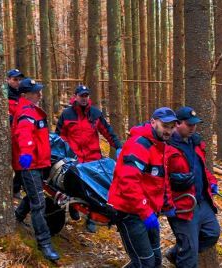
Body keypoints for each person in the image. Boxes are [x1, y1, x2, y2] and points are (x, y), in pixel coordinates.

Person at [107, 107, 177, 267]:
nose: (169, 131)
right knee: (145, 263)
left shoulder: (162, 146)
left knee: (156, 260)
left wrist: (167, 205)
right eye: (165, 126)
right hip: (129, 212)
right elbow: (128, 182)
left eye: (172, 127)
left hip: (148, 212)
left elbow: (162, 179)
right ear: (153, 122)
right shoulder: (139, 145)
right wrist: (145, 212)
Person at [55, 85, 122, 232]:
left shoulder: (95, 114)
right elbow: (59, 135)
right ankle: (73, 208)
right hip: (75, 159)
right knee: (72, 187)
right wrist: (66, 150)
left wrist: (118, 147)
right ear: (75, 96)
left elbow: (108, 132)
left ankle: (91, 218)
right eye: (81, 95)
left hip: (93, 159)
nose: (84, 98)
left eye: (86, 95)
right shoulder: (67, 114)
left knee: (93, 191)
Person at [163, 106, 221, 268]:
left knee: (212, 234)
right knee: (189, 257)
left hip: (202, 202)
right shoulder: (166, 147)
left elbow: (202, 169)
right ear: (177, 124)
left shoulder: (196, 143)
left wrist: (212, 182)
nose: (193, 128)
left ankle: (177, 254)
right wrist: (167, 204)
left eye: (195, 124)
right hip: (182, 206)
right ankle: (185, 255)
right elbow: (161, 180)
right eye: (189, 125)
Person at [12, 78, 60, 262]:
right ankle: (44, 242)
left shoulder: (32, 110)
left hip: (39, 162)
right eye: (35, 92)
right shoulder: (26, 112)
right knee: (38, 203)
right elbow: (24, 135)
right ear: (25, 95)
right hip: (30, 164)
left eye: (39, 91)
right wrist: (25, 155)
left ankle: (17, 216)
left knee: (34, 193)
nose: (39, 94)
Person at [4, 69, 26, 199]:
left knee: (21, 164)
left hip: (20, 134)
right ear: (8, 79)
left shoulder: (22, 95)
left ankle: (16, 188)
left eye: (19, 80)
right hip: (8, 134)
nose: (17, 82)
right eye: (15, 79)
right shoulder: (3, 94)